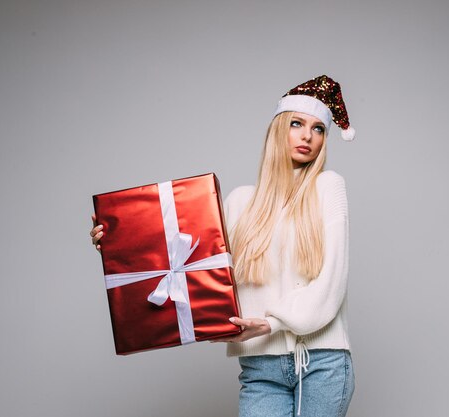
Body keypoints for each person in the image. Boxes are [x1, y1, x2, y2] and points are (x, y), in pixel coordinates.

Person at [90, 75, 356, 417]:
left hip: (321, 363)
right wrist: (117, 244)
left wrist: (271, 323)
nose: (307, 135)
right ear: (278, 129)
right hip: (261, 367)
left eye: (318, 129)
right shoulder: (240, 202)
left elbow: (331, 283)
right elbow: (185, 261)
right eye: (297, 123)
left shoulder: (328, 187)